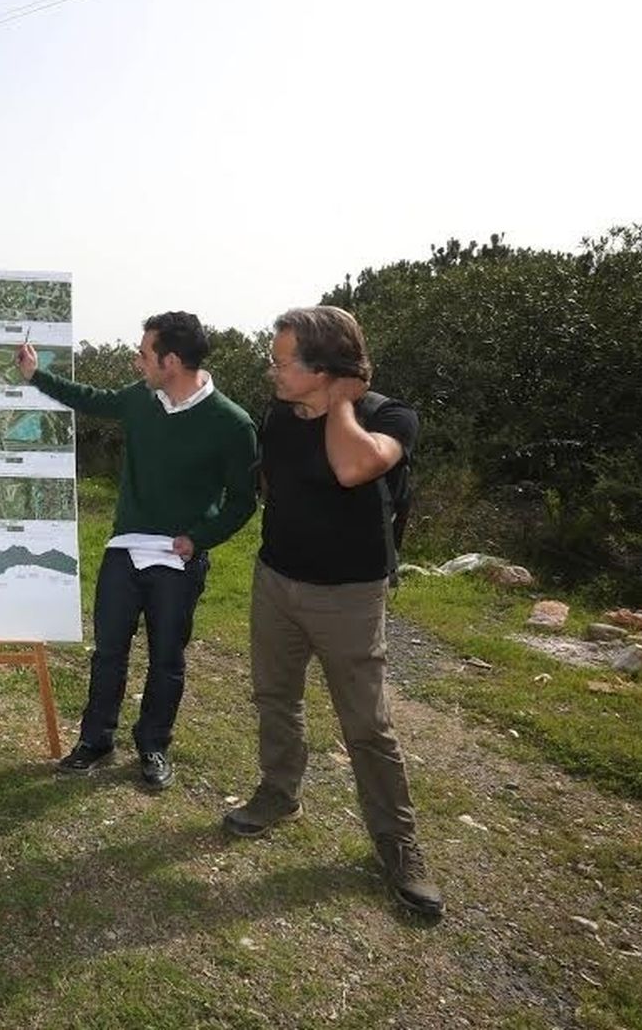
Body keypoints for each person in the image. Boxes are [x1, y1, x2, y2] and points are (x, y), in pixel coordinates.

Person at [222, 305, 444, 918]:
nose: (272, 368)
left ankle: (399, 849)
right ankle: (278, 793)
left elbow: (353, 467)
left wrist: (342, 404)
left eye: (284, 360)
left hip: (349, 595)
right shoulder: (278, 414)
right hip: (276, 581)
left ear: (325, 367)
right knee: (275, 696)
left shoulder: (390, 415)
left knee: (367, 727)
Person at [17, 312, 257, 789]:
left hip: (179, 557)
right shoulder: (140, 398)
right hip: (125, 549)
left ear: (171, 361)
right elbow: (91, 399)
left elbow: (244, 500)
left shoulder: (232, 423)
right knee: (108, 652)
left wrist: (197, 539)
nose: (136, 359)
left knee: (167, 657)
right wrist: (35, 375)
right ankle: (95, 740)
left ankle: (153, 745)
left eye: (144, 353)